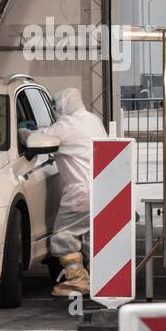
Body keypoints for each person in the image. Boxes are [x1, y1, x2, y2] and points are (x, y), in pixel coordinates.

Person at [41, 87, 107, 297]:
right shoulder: (92, 119)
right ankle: (98, 276)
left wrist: (23, 132)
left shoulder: (66, 125)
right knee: (88, 234)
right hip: (103, 188)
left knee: (63, 235)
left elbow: (37, 138)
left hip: (80, 193)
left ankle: (77, 279)